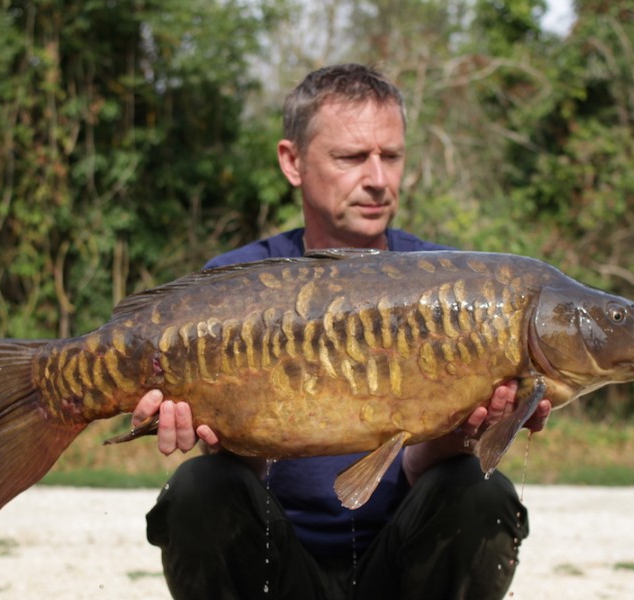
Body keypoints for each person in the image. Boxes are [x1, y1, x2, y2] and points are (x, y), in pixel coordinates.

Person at [133, 63, 552, 599]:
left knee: (479, 490)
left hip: (398, 570)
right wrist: (223, 435)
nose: (378, 179)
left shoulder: (453, 286)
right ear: (293, 162)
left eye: (392, 156)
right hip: (277, 570)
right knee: (200, 486)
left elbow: (419, 470)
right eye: (352, 158)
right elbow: (247, 474)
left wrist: (462, 435)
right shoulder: (233, 288)